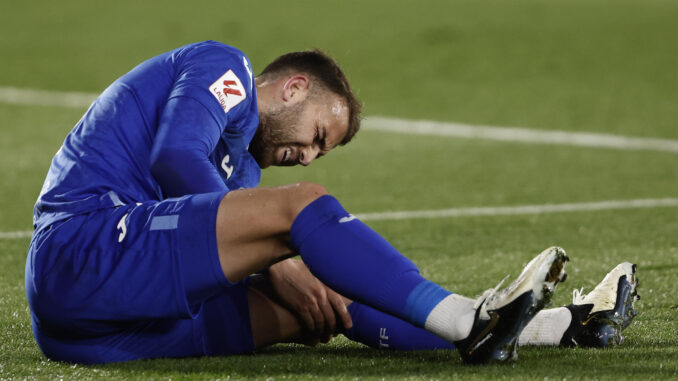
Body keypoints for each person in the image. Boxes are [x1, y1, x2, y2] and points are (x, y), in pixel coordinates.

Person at [25, 41, 639, 365]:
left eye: (323, 151)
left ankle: (561, 329)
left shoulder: (237, 173)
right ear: (293, 87)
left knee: (329, 302)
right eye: (317, 134)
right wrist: (281, 260)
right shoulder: (225, 69)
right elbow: (175, 157)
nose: (309, 155)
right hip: (81, 249)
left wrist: (291, 274)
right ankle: (466, 319)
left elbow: (204, 200)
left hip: (94, 334)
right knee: (301, 210)